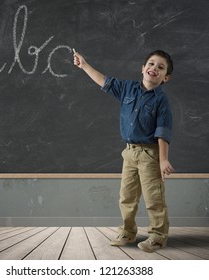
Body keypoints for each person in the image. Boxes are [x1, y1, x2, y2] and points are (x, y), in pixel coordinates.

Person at [73, 49, 174, 253]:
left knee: (154, 198)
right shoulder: (127, 88)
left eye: (160, 67)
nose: (154, 68)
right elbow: (104, 81)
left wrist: (163, 160)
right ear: (143, 68)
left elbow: (163, 132)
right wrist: (84, 65)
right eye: (151, 64)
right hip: (129, 153)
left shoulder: (161, 101)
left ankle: (158, 236)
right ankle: (128, 231)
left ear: (166, 77)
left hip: (150, 155)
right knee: (126, 196)